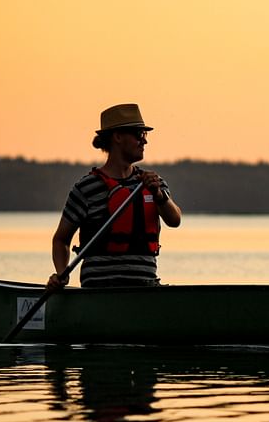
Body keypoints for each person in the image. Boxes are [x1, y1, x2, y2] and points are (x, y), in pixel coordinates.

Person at [47, 103, 182, 289]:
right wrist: (62, 273)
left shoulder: (153, 183)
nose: (144, 141)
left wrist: (159, 195)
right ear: (118, 137)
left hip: (145, 288)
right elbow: (61, 239)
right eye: (138, 134)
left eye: (145, 135)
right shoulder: (86, 188)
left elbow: (175, 220)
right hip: (98, 290)